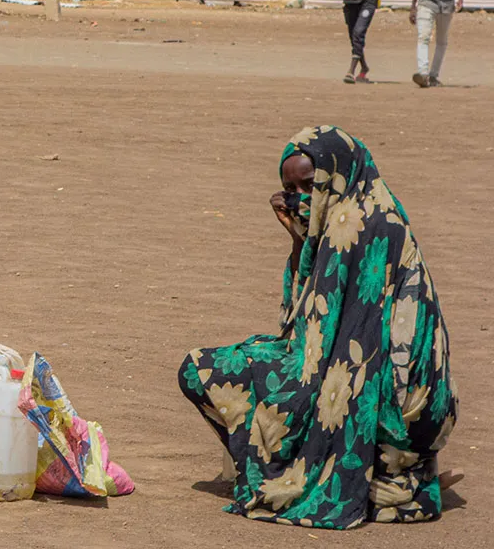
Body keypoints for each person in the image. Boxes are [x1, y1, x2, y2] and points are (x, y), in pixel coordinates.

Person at [178, 126, 458, 529]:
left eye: (311, 186)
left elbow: (349, 351)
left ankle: (339, 475)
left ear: (338, 173)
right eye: (292, 190)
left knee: (225, 374)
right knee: (218, 368)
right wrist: (298, 238)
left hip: (398, 407)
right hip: (359, 375)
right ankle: (359, 473)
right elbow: (306, 321)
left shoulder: (367, 226)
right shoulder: (348, 215)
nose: (303, 199)